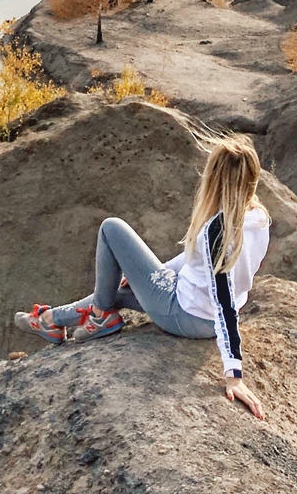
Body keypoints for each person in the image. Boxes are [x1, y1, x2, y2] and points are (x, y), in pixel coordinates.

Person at [15, 134, 271, 419]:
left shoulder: (219, 230)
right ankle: (51, 321)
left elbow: (223, 302)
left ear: (214, 178)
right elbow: (197, 262)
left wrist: (234, 374)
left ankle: (99, 316)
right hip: (198, 310)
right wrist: (145, 274)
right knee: (116, 289)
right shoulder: (258, 218)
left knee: (111, 228)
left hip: (185, 314)